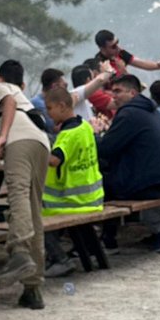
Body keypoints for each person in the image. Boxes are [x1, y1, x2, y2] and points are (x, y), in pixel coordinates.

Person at [0, 60, 52, 309]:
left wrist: (2, 136)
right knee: (34, 210)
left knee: (18, 195)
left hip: (20, 140)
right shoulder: (23, 94)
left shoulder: (2, 88)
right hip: (41, 142)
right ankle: (33, 289)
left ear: (0, 77)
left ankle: (19, 251)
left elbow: (9, 105)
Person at [95, 75, 160, 253]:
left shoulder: (129, 113)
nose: (114, 95)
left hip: (149, 182)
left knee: (99, 184)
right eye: (112, 91)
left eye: (118, 91)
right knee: (110, 177)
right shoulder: (149, 109)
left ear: (133, 92)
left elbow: (105, 149)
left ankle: (107, 241)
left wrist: (94, 134)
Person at [40, 85, 105, 276]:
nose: (49, 114)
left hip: (71, 201)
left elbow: (54, 161)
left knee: (31, 216)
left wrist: (34, 153)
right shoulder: (84, 126)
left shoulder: (67, 136)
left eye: (50, 109)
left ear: (61, 106)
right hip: (93, 197)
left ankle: (60, 259)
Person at [94, 29, 160, 77]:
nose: (118, 48)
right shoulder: (99, 65)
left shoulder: (120, 53)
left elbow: (141, 63)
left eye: (117, 43)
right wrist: (122, 71)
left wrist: (158, 66)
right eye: (113, 46)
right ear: (102, 48)